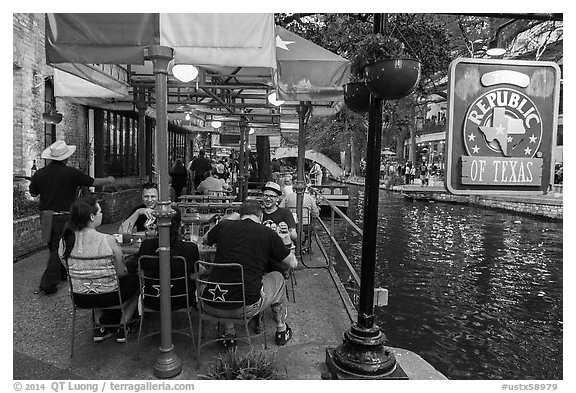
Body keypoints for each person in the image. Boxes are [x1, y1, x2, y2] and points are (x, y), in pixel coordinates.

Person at [201, 199, 298, 347]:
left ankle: (229, 332)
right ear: (260, 217)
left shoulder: (225, 225)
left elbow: (205, 239)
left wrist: (226, 219)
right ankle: (281, 329)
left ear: (240, 215)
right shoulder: (267, 233)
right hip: (245, 307)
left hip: (210, 303)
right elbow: (292, 263)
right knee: (278, 277)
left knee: (228, 277)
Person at [29, 140, 115, 295]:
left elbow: (33, 193)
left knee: (53, 245)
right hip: (64, 216)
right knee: (58, 247)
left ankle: (61, 273)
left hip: (46, 217)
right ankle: (48, 284)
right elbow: (92, 182)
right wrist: (108, 180)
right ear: (66, 158)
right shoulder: (71, 173)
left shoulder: (39, 174)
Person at [59, 196, 139, 343]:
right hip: (110, 296)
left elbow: (68, 268)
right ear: (91, 216)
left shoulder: (65, 241)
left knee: (91, 281)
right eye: (100, 211)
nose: (102, 214)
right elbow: (121, 272)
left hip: (79, 297)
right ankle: (123, 325)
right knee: (138, 280)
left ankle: (100, 328)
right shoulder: (107, 240)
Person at [129, 207, 199, 310]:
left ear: (156, 224)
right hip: (183, 300)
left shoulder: (146, 245)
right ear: (180, 225)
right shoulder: (190, 248)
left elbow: (141, 272)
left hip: (152, 300)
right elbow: (193, 276)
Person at [261, 182, 297, 247]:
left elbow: (294, 235)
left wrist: (286, 232)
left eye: (272, 196)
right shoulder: (258, 212)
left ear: (277, 198)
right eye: (266, 195)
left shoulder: (285, 213)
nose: (268, 199)